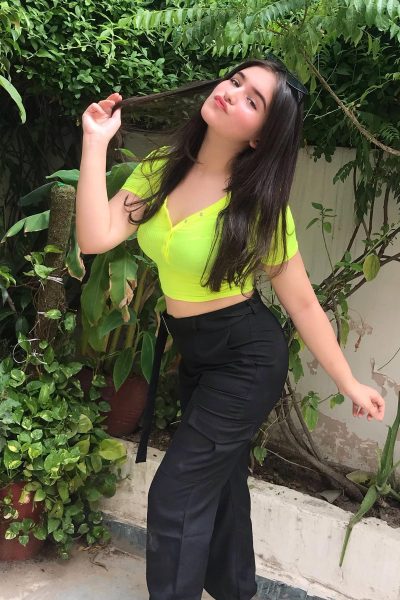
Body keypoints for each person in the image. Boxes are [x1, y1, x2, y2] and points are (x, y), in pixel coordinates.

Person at [76, 57, 385, 600]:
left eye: (252, 100)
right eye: (236, 80)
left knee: (175, 495)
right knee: (219, 486)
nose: (232, 92)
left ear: (261, 137)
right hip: (196, 351)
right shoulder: (161, 168)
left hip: (246, 358)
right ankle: (236, 589)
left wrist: (349, 382)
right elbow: (96, 236)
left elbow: (303, 304)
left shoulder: (259, 208)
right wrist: (95, 142)